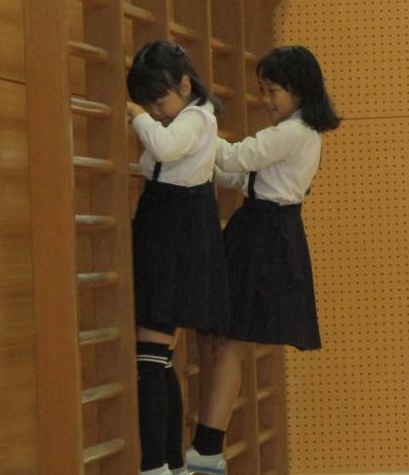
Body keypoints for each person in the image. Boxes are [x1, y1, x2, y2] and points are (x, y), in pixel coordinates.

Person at [187, 46, 341, 475]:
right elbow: (241, 175)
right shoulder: (298, 133)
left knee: (230, 339)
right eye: (263, 90)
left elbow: (237, 157)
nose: (265, 99)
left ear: (299, 89)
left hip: (263, 235)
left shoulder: (292, 132)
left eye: (273, 90)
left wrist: (196, 127)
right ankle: (207, 444)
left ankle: (207, 447)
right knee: (222, 337)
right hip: (261, 229)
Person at [127, 40, 228, 475]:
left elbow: (165, 149)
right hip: (170, 225)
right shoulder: (191, 117)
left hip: (173, 231)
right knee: (158, 355)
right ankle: (169, 463)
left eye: (159, 101)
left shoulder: (197, 118)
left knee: (151, 353)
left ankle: (156, 464)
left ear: (185, 86)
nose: (156, 112)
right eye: (148, 104)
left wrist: (135, 114)